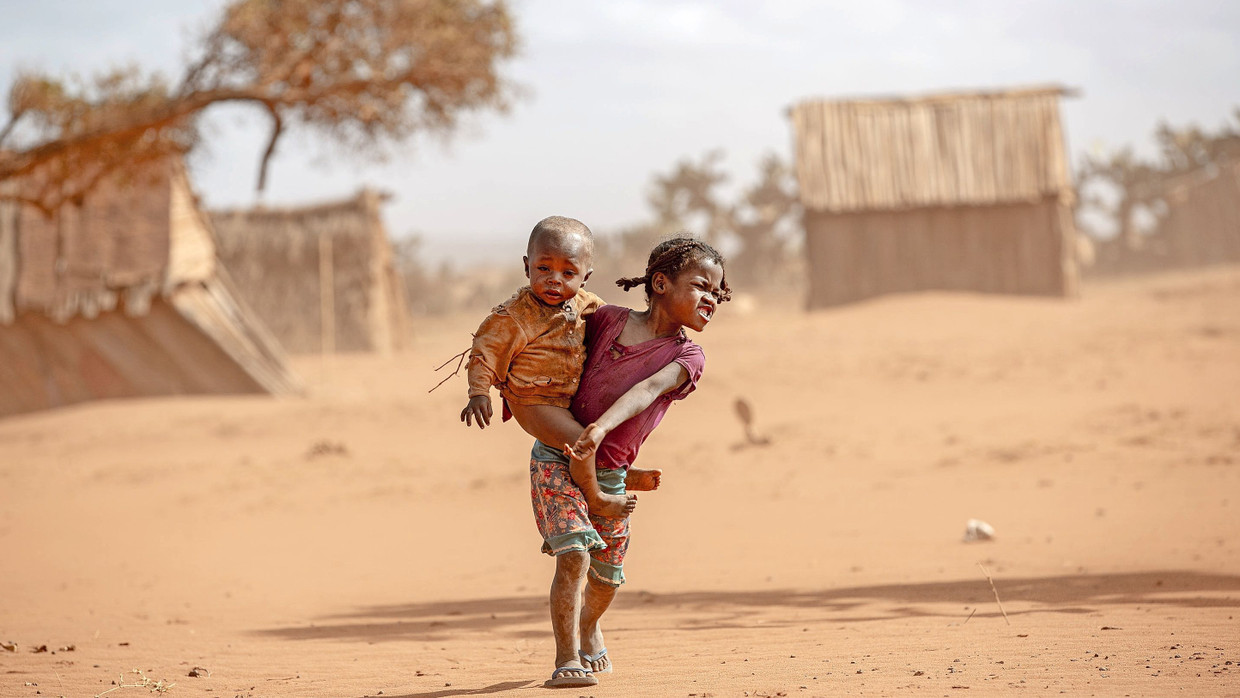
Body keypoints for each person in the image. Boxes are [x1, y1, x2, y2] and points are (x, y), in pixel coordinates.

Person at [528, 236, 730, 688]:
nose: (712, 300)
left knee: (607, 577)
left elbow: (647, 389)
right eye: (701, 287)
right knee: (574, 555)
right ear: (660, 283)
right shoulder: (605, 319)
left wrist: (599, 430)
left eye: (717, 293)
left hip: (610, 473)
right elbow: (548, 330)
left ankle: (589, 625)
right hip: (557, 456)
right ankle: (567, 659)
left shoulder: (687, 356)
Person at [460, 216, 636, 518]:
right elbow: (484, 352)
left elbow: (617, 322)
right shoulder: (515, 316)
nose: (555, 279)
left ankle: (615, 473)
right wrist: (478, 393)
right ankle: (596, 497)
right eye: (544, 268)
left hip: (567, 397)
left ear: (585, 277)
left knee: (604, 429)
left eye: (568, 272)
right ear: (527, 266)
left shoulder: (586, 303)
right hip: (533, 401)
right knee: (583, 441)